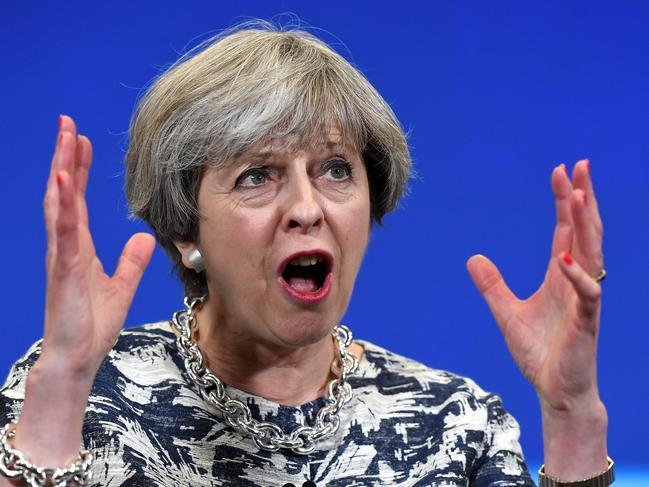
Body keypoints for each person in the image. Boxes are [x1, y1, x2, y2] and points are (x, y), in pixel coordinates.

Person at [0, 24, 611, 486]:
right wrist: (60, 393)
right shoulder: (86, 395)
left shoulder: (455, 425)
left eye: (336, 169)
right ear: (186, 230)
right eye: (257, 176)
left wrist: (572, 413)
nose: (306, 206)